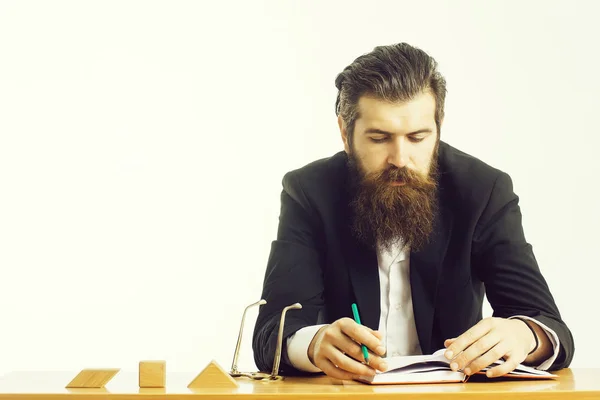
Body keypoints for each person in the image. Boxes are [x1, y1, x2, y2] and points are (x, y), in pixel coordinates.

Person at [252, 42, 574, 381]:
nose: (400, 159)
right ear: (345, 134)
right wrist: (313, 343)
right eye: (379, 138)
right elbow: (272, 331)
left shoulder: (483, 189)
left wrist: (522, 335)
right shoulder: (309, 191)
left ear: (438, 129)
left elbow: (550, 327)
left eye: (418, 137)